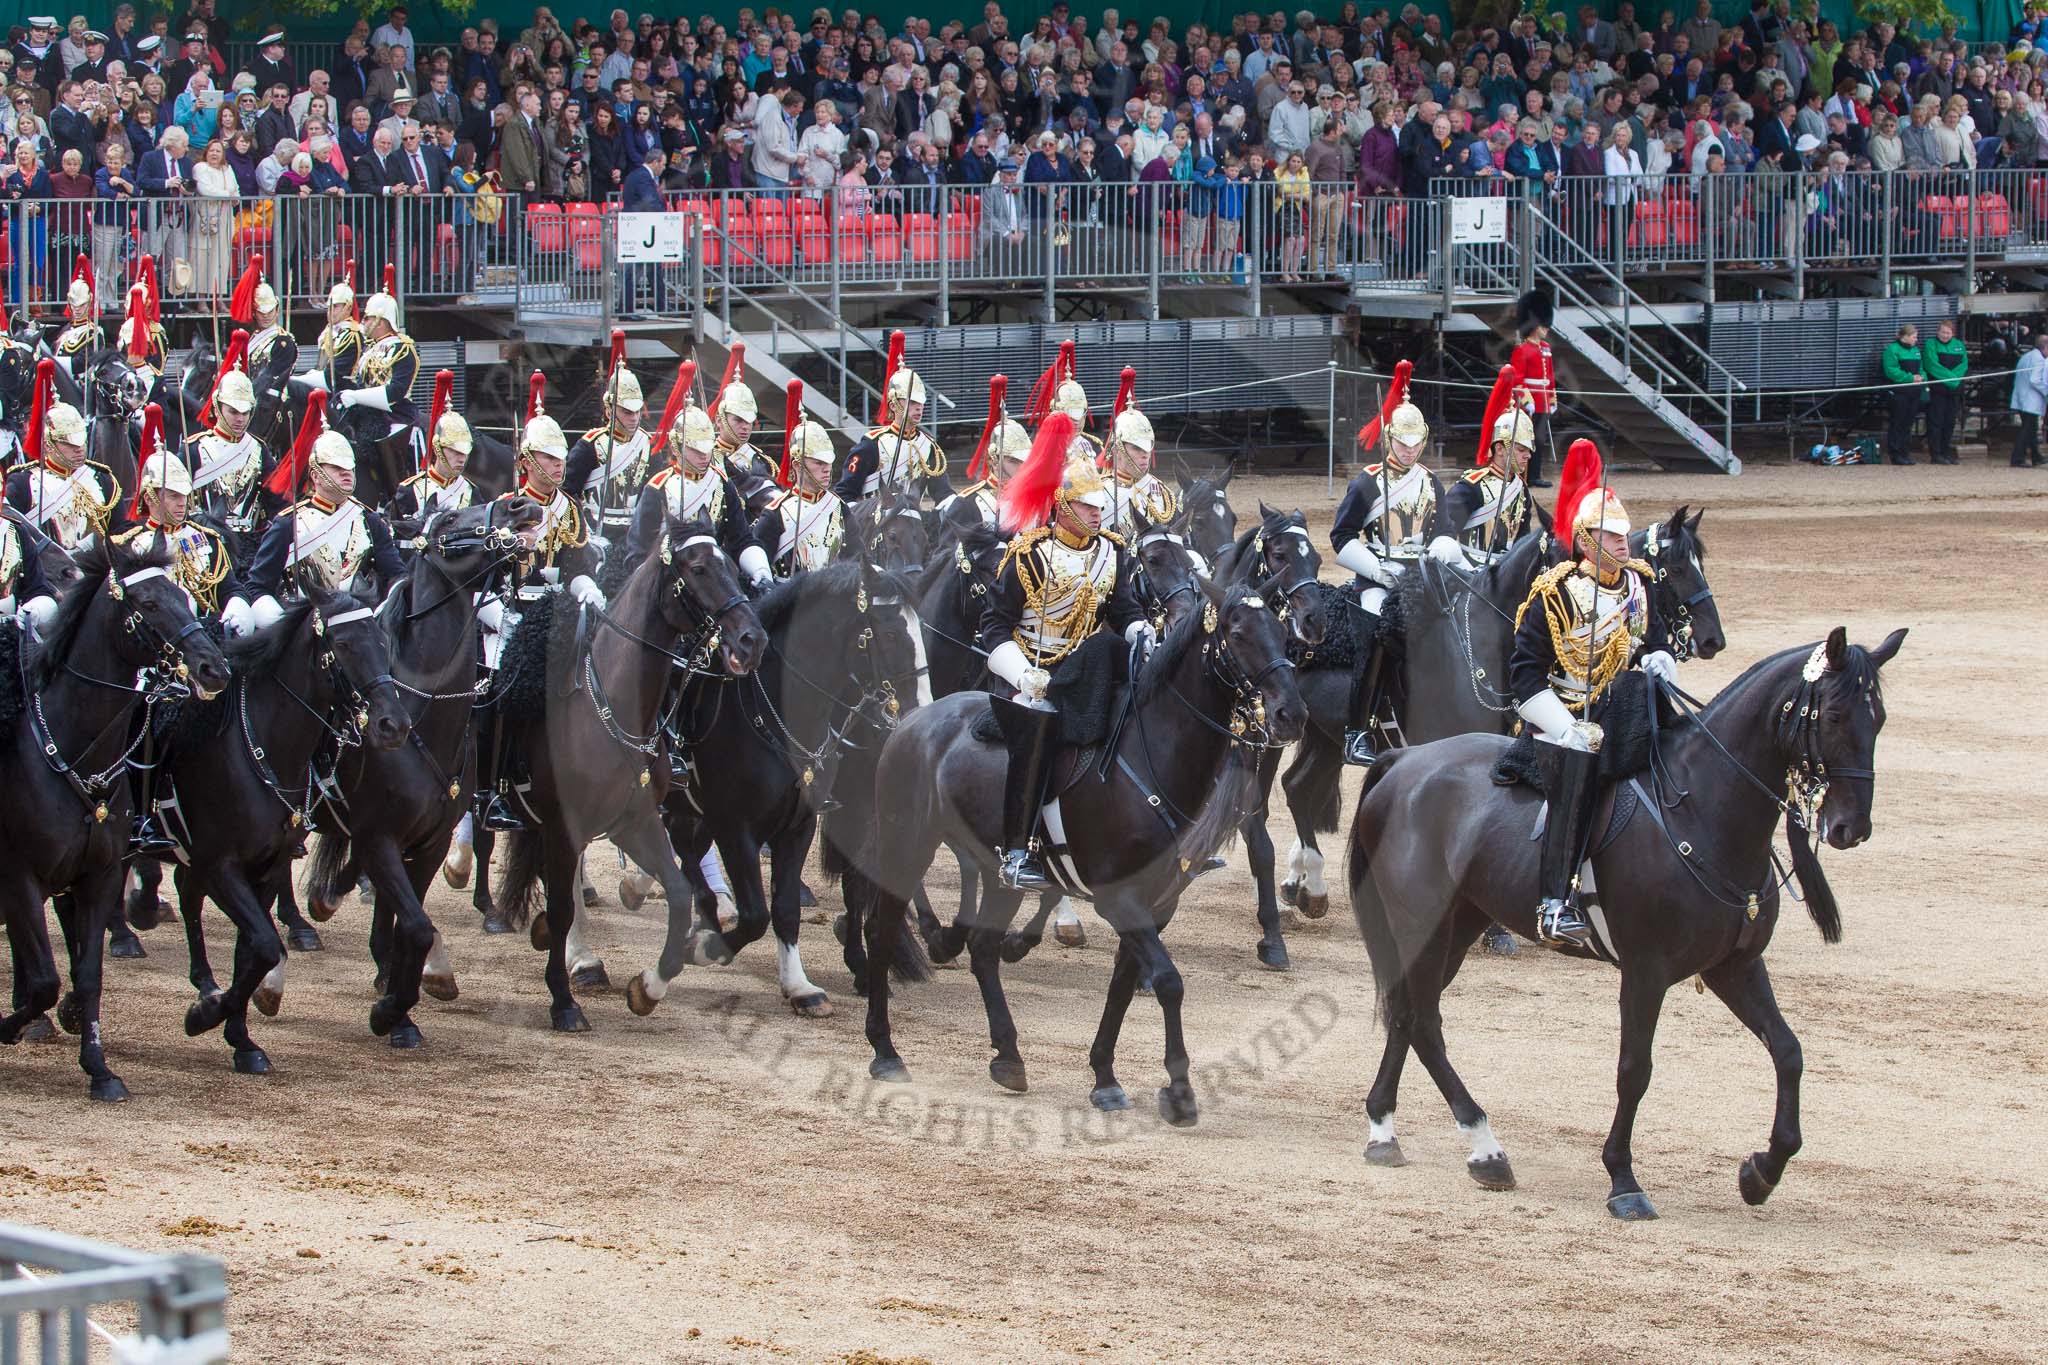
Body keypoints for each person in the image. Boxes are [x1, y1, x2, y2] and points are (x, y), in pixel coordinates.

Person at [978, 414, 1150, 891]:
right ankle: (1017, 851)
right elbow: (993, 626)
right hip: (1031, 671)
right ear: (1064, 506)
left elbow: (1125, 608)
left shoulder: (1112, 552)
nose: (1098, 514)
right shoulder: (1026, 555)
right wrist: (1021, 674)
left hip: (1086, 670)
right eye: (1087, 506)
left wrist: (1138, 629)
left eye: (1099, 507)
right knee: (1037, 729)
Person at [1509, 471, 1673, 949]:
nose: (1623, 543)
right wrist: (1565, 728)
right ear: (1585, 541)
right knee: (1577, 778)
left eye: (1624, 534)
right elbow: (1523, 677)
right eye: (1611, 536)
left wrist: (1660, 658)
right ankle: (1554, 904)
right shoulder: (1554, 593)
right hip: (1562, 716)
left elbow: (1652, 640)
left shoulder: (1641, 586)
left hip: (1623, 708)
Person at [475, 405, 606, 829]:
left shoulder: (569, 508)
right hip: (506, 614)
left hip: (554, 613)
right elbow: (482, 573)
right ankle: (490, 787)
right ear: (528, 461)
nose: (559, 464)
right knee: (495, 688)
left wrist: (586, 587)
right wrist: (495, 611)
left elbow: (576, 567)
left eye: (561, 457)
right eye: (549, 458)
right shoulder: (501, 508)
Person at [1330, 380, 1454, 765]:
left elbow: (1446, 532)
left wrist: (1435, 555)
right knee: (1377, 637)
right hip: (1378, 577)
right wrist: (1376, 570)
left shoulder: (1431, 482)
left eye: (1416, 444)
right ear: (1389, 440)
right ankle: (1357, 730)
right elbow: (1342, 535)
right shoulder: (1367, 482)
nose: (1410, 450)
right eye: (1403, 444)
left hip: (1420, 577)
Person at [236, 428, 405, 631]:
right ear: (315, 475)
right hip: (307, 632)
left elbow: (397, 574)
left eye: (350, 467)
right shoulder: (289, 524)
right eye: (336, 467)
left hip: (362, 626)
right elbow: (258, 586)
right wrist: (284, 626)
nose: (346, 473)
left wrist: (386, 609)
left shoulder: (370, 521)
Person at [625, 396, 767, 582]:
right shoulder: (658, 488)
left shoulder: (722, 484)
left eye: (707, 449)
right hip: (671, 578)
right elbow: (638, 551)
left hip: (717, 574)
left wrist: (760, 570)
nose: (704, 456)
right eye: (696, 450)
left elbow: (742, 538)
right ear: (676, 447)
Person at [5, 381, 116, 552]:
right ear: (48, 445)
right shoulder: (23, 483)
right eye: (70, 444)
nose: (79, 449)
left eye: (82, 441)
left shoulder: (102, 478)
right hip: (51, 573)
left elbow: (119, 528)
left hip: (99, 571)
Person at [564, 357, 653, 554]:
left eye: (637, 411)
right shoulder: (590, 445)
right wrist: (581, 530)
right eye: (626, 411)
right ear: (609, 409)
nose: (634, 417)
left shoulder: (645, 444)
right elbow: (568, 491)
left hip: (637, 532)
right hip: (596, 530)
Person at [1436, 398, 1542, 564]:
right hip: (1472, 569)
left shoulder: (1521, 489)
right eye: (1521, 450)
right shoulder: (1472, 487)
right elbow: (1444, 531)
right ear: (1499, 449)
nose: (1527, 456)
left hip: (1507, 569)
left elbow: (1522, 539)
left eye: (1528, 450)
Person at [835, 353, 947, 503]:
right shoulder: (872, 444)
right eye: (912, 402)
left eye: (921, 402)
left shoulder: (928, 446)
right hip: (875, 523)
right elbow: (844, 493)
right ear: (893, 405)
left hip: (914, 522)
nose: (919, 408)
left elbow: (943, 493)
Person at [749, 412, 845, 577]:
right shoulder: (775, 513)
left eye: (829, 462)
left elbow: (857, 558)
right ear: (797, 465)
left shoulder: (838, 507)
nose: (827, 468)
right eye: (819, 462)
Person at [183, 360, 267, 537]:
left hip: (250, 540)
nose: (240, 419)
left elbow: (276, 500)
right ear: (217, 407)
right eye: (233, 412)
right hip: (206, 539)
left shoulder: (259, 449)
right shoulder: (195, 448)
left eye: (245, 413)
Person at [387, 370, 474, 526]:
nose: (462, 458)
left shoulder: (470, 490)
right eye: (454, 451)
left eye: (465, 452)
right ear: (437, 448)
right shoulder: (410, 490)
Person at [334, 290, 419, 447]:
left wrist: (356, 396)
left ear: (380, 322)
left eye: (367, 318)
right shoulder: (370, 350)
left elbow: (396, 391)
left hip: (395, 414)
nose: (362, 323)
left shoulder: (401, 349)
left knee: (390, 445)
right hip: (367, 412)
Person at [1101, 393, 1174, 537]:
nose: (1145, 454)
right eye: (1136, 448)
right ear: (1117, 451)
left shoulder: (1160, 489)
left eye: (1147, 447)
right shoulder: (1100, 491)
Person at [1508, 289, 1557, 486]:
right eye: (1543, 325)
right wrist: (1526, 401)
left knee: (1540, 439)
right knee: (1525, 440)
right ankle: (1523, 475)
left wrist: (1552, 399)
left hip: (1543, 400)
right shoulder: (1522, 350)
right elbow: (1517, 380)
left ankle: (1535, 475)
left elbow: (1550, 377)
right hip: (1530, 402)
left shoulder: (1545, 348)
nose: (1546, 329)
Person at [1922, 319, 1967, 466]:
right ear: (1938, 332)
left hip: (1953, 390)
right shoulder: (1931, 344)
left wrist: (1954, 380)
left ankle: (1945, 452)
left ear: (1953, 333)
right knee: (1936, 421)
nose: (1945, 335)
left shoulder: (1959, 346)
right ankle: (1935, 454)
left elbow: (1963, 365)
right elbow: (1931, 364)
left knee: (1950, 421)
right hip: (1938, 390)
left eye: (1948, 333)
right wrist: (1951, 379)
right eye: (1943, 332)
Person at [1880, 322, 1924, 465]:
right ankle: (1895, 453)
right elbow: (1891, 370)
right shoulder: (1892, 350)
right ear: (1904, 336)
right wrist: (1910, 378)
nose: (1916, 339)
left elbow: (1921, 368)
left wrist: (1922, 377)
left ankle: (1905, 452)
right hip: (1899, 392)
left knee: (1908, 423)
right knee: (1897, 422)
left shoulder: (1916, 350)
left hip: (1914, 391)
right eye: (1914, 337)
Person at [2010, 331, 2048, 468]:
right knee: (2027, 429)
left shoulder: (2027, 356)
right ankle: (2017, 458)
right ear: (2045, 347)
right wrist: (2047, 391)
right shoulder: (2039, 359)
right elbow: (2035, 380)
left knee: (2031, 429)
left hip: (2022, 397)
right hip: (2030, 400)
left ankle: (2036, 456)